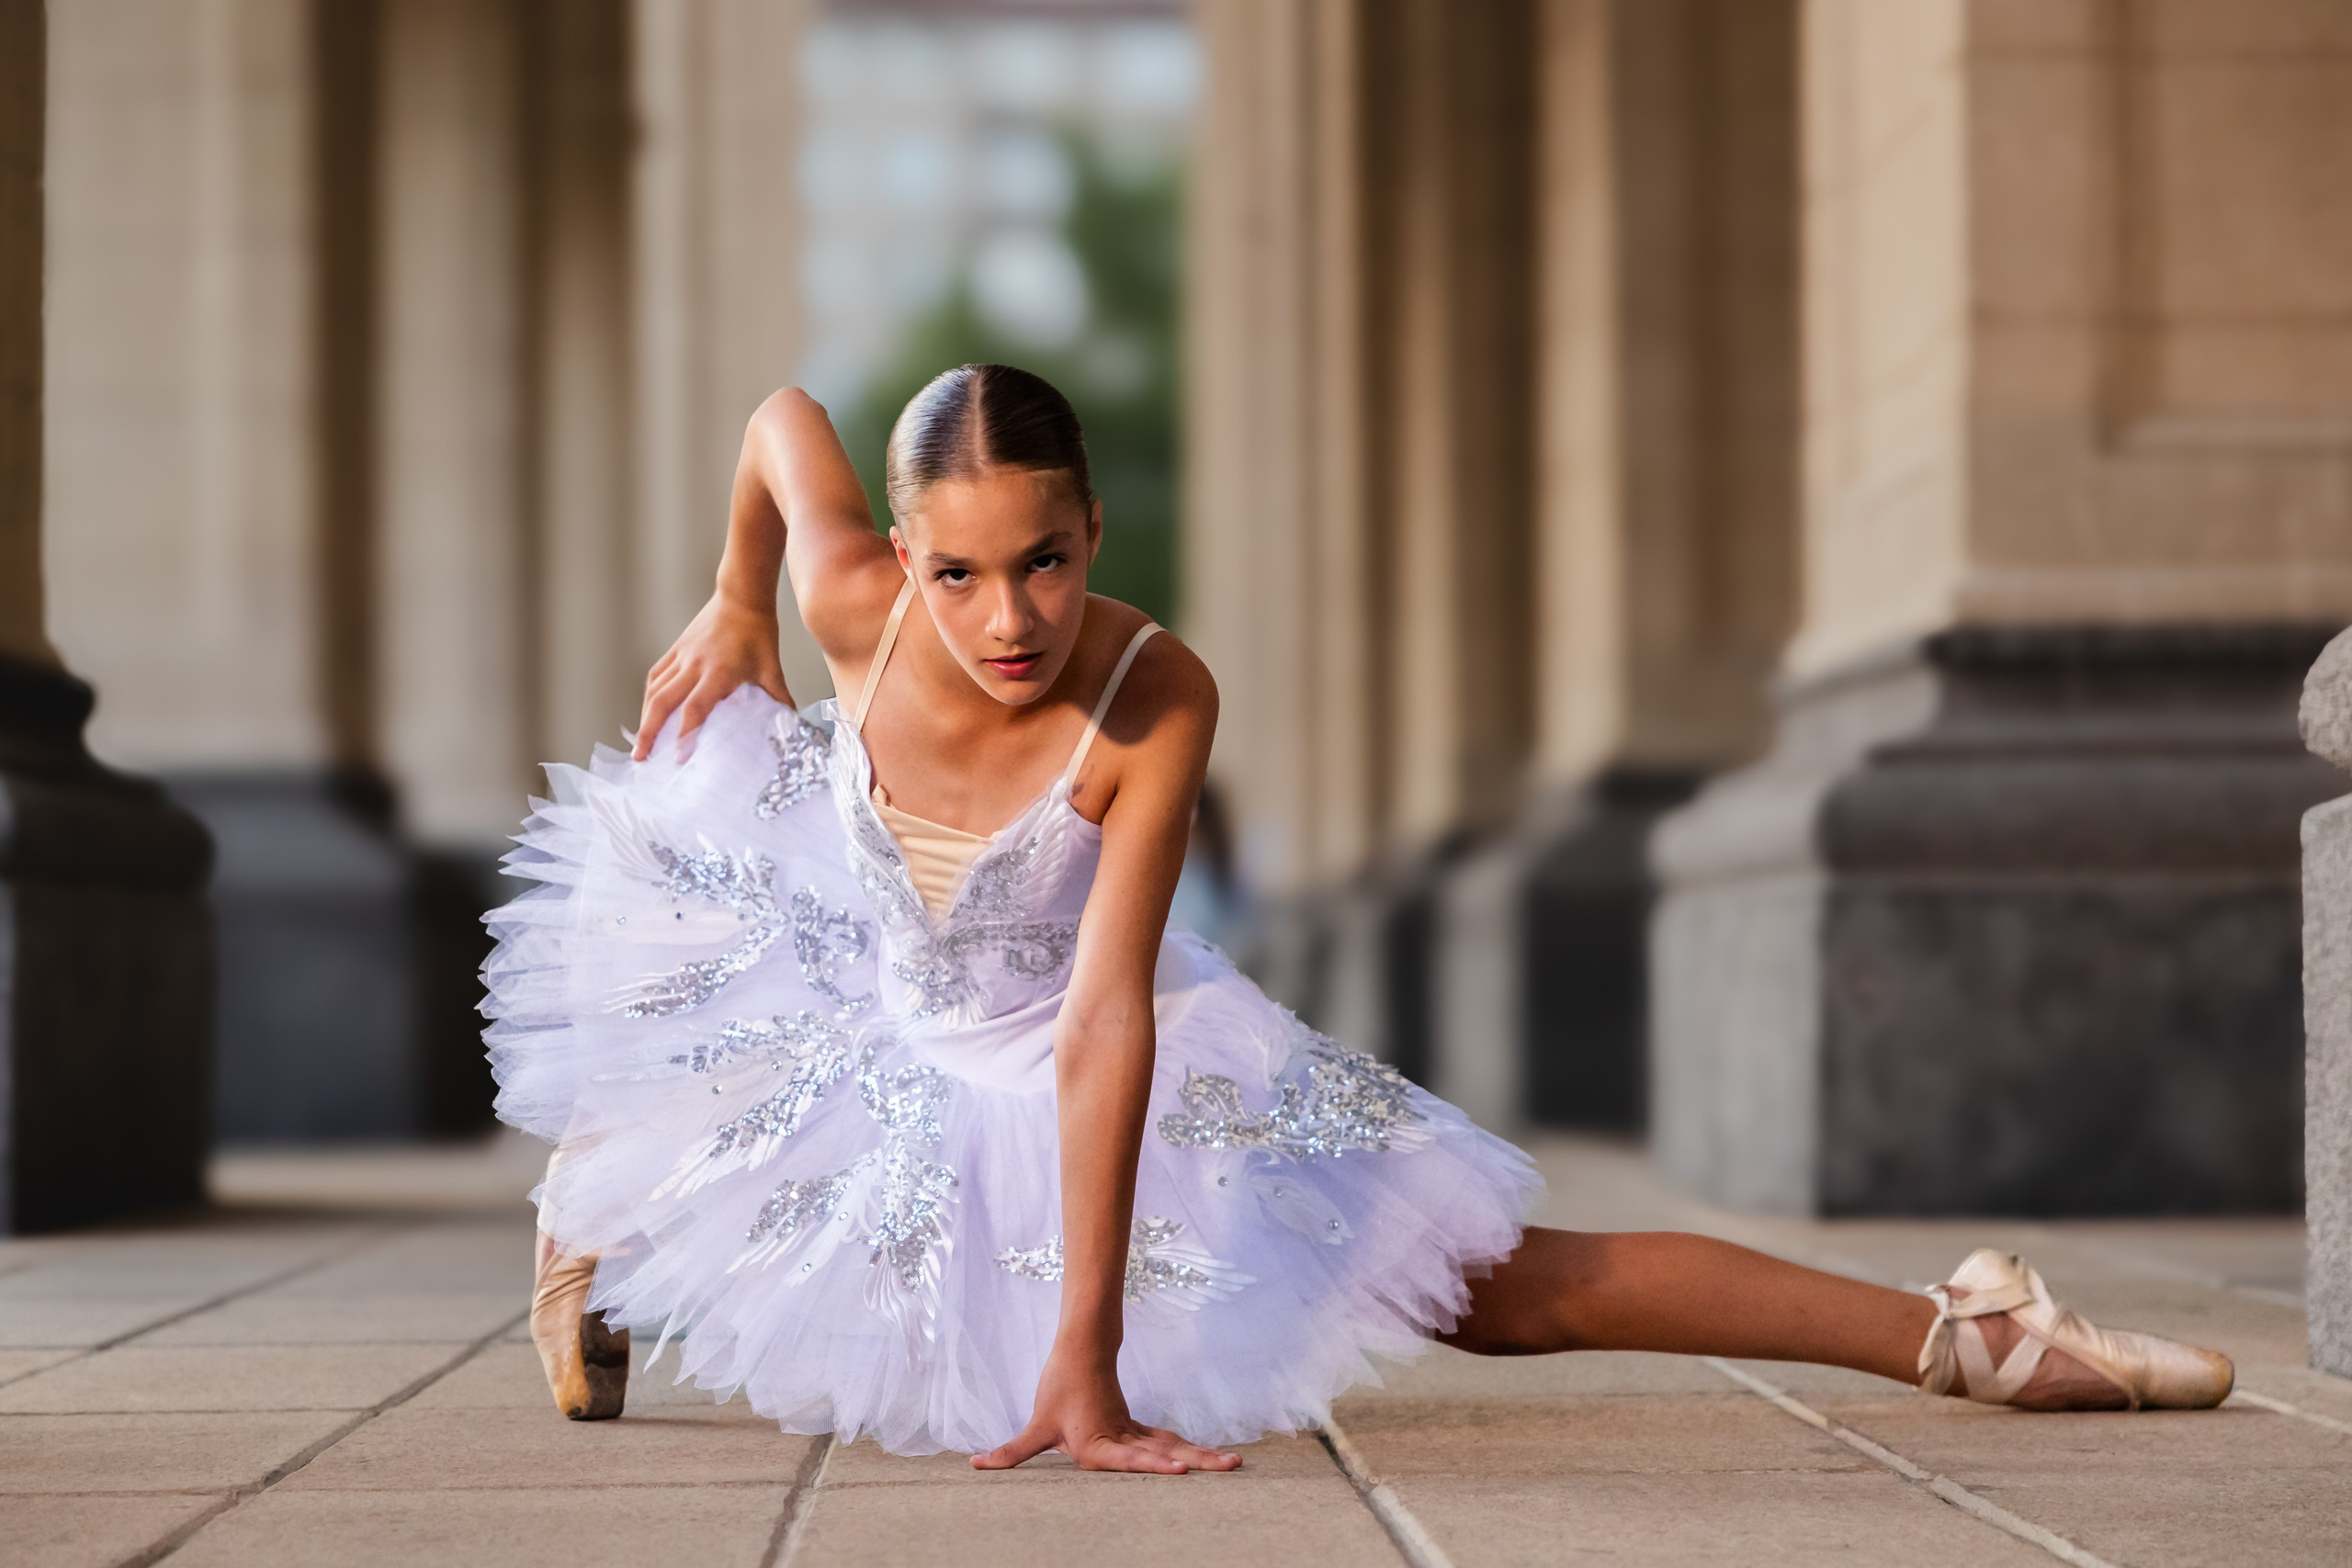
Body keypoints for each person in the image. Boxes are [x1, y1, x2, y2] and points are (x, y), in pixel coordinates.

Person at [488, 365, 2233, 1473]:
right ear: (905, 558)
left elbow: (1107, 1023)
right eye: (959, 571)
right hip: (872, 985)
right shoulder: (858, 608)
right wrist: (736, 604)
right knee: (711, 955)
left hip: (1083, 1041)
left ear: (1096, 532)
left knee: (1494, 1289)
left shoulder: (1153, 701)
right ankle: (595, 1211)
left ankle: (1966, 1336)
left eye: (1046, 561)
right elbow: (780, 424)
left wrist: (1082, 1365)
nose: (1006, 618)